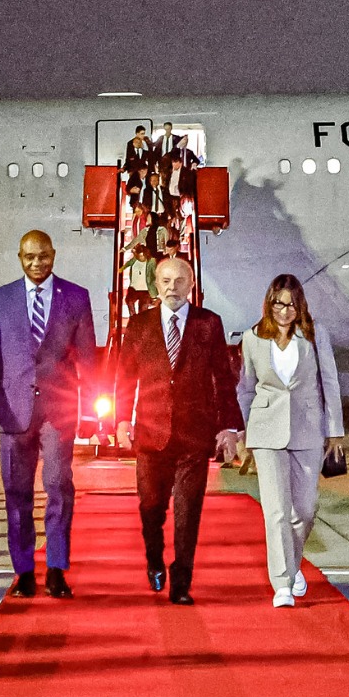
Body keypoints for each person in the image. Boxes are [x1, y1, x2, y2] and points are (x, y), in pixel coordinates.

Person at [0, 231, 98, 599]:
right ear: (19, 257)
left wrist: (92, 411)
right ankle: (24, 570)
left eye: (43, 256)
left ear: (54, 255)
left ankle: (57, 569)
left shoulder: (76, 297)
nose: (37, 263)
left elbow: (88, 359)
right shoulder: (1, 299)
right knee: (17, 493)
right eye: (29, 257)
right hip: (13, 412)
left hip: (58, 412)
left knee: (60, 487)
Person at [116, 255, 238, 605]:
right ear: (156, 283)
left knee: (188, 513)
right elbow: (124, 377)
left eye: (180, 281)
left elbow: (223, 378)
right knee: (151, 509)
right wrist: (122, 419)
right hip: (151, 436)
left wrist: (228, 426)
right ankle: (154, 558)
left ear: (191, 284)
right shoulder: (139, 325)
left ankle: (181, 582)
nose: (173, 288)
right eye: (166, 281)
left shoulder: (208, 324)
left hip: (193, 437)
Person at [236, 275, 344, 607]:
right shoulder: (253, 338)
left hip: (309, 429)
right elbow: (246, 388)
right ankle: (282, 582)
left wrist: (335, 430)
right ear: (269, 303)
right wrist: (245, 431)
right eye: (278, 303)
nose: (284, 311)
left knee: (306, 510)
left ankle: (292, 563)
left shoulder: (314, 335)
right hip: (267, 430)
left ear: (300, 306)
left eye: (291, 304)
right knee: (277, 511)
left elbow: (329, 381)